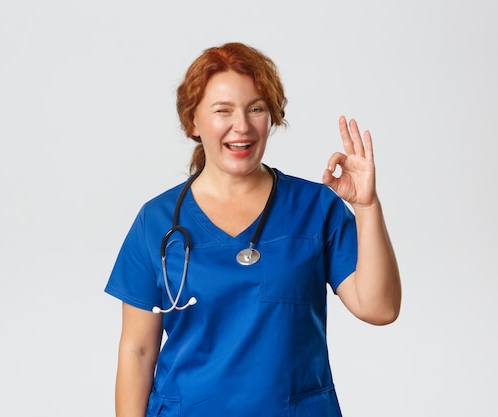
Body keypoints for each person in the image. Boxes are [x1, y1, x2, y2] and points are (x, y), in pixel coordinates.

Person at [105, 42, 401, 417]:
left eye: (256, 109)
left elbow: (380, 308)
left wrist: (366, 207)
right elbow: (138, 351)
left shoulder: (315, 207)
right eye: (222, 110)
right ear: (193, 122)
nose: (241, 126)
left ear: (272, 117)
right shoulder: (157, 221)